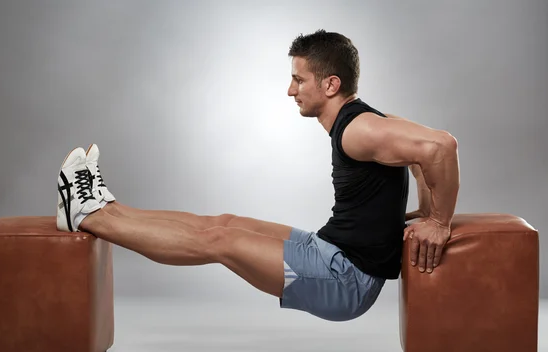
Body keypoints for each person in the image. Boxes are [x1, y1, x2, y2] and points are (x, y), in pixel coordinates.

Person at [56, 30, 459, 322]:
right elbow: (422, 151)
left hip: (346, 280)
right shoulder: (374, 121)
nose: (290, 89)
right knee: (223, 223)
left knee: (220, 241)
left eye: (299, 79)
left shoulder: (360, 129)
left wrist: (437, 222)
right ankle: (106, 207)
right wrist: (424, 211)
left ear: (331, 84)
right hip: (329, 250)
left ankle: (88, 216)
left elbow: (441, 147)